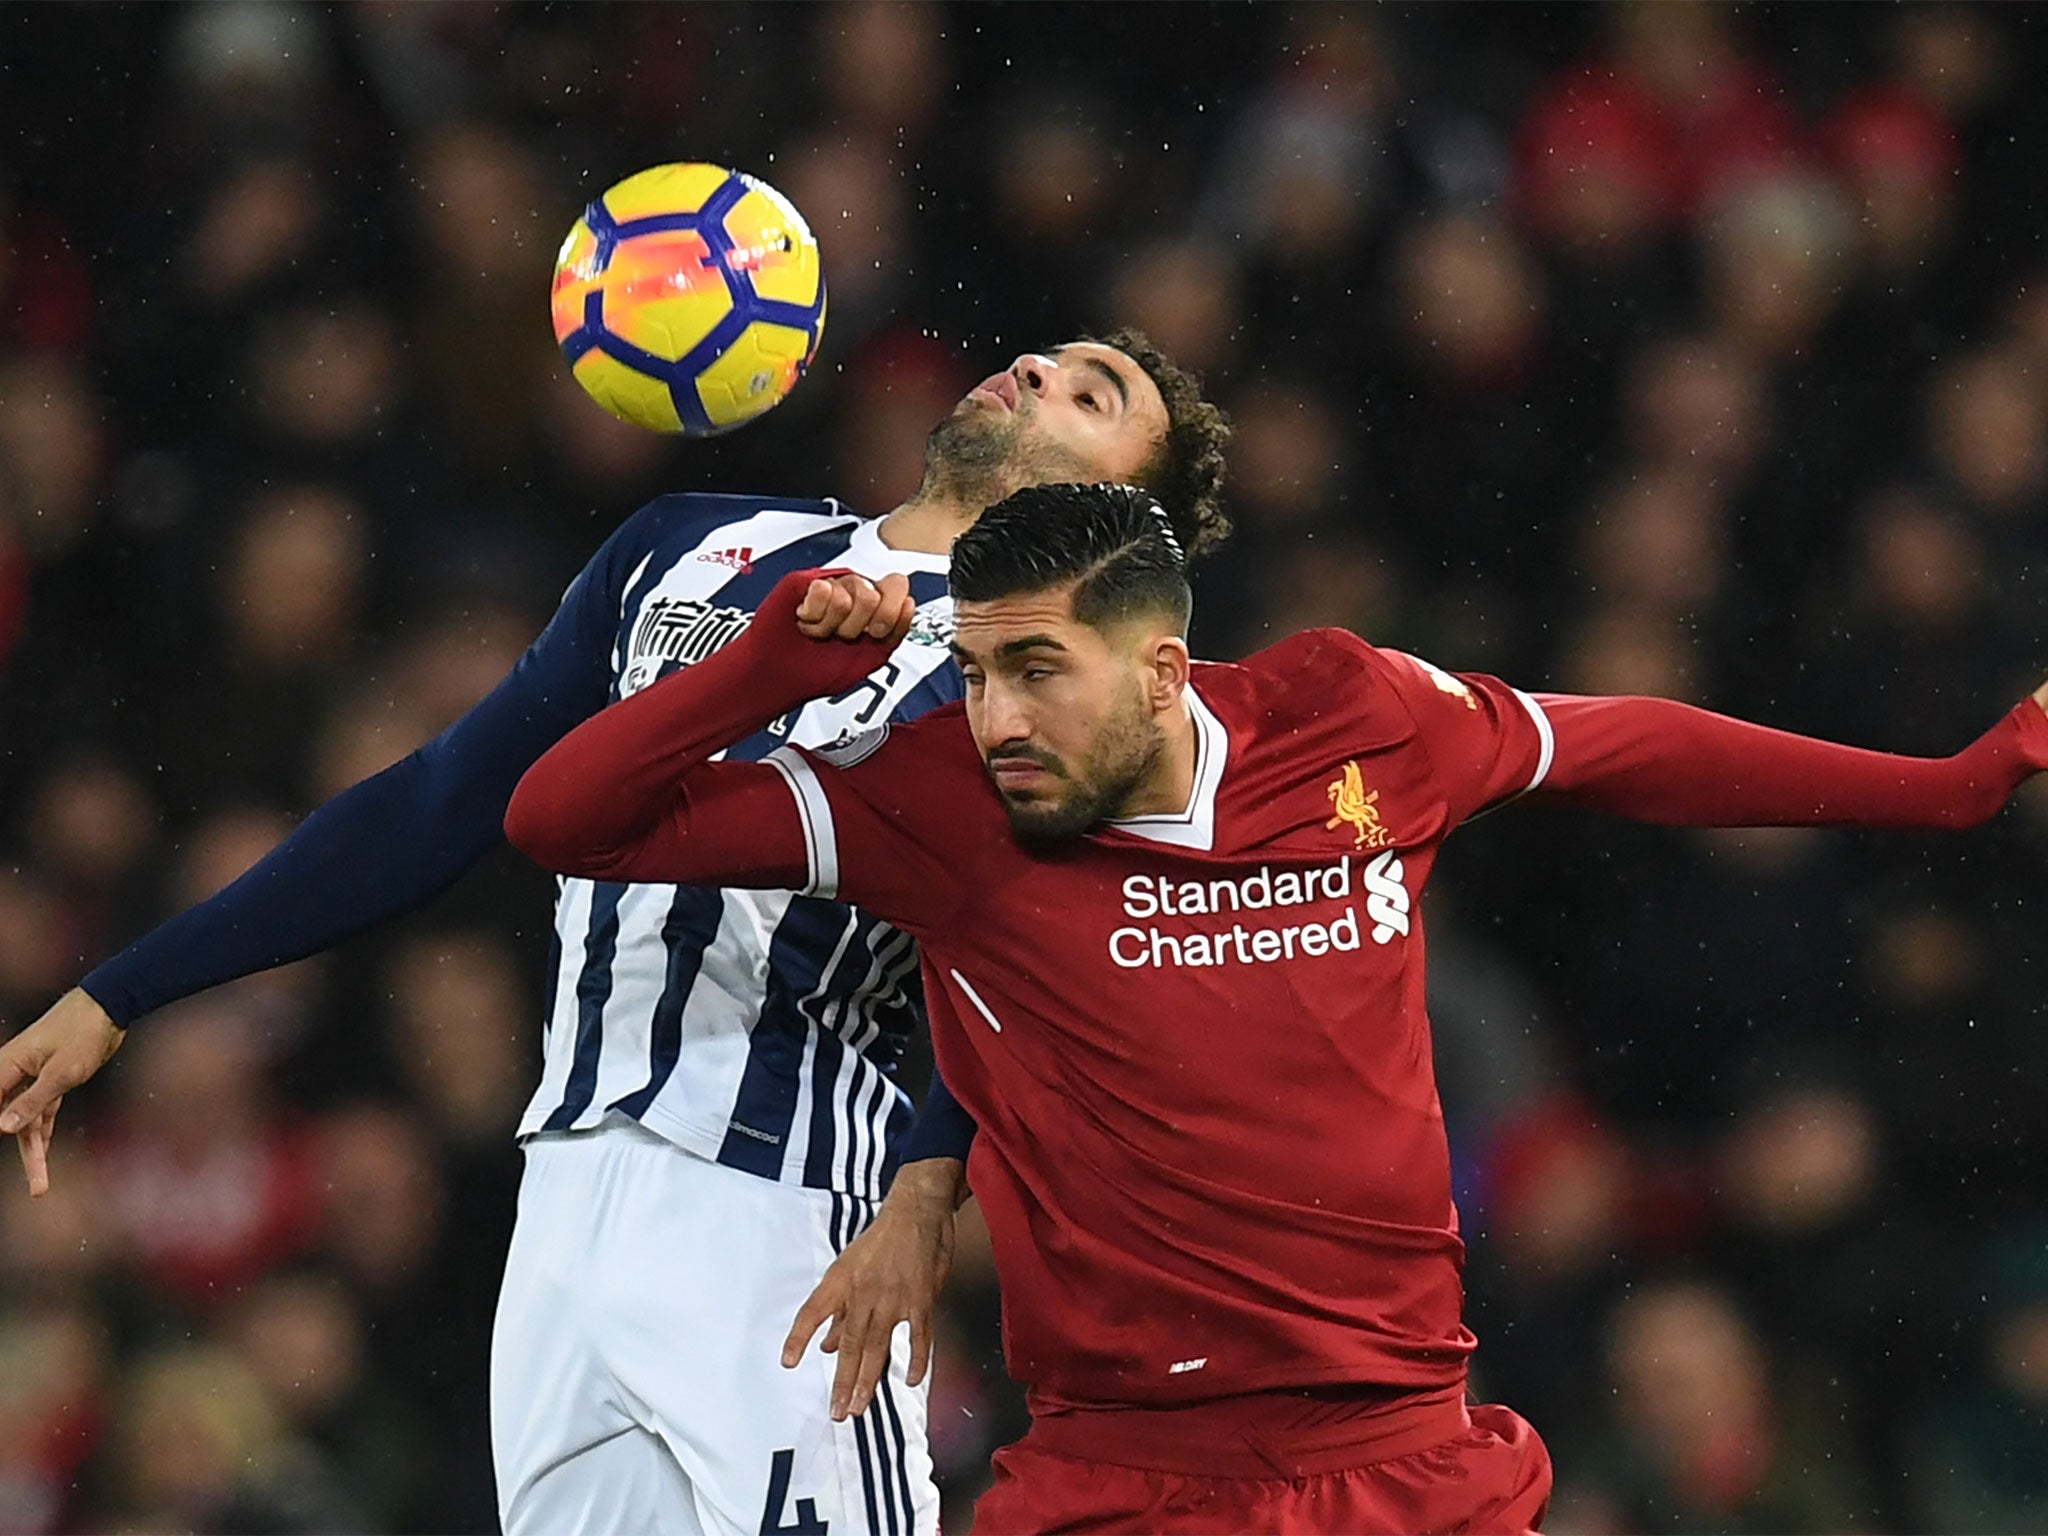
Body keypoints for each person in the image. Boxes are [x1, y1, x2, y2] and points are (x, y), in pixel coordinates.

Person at [503, 481, 2048, 1534]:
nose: (997, 718)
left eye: (1036, 671)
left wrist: (1948, 790)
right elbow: (565, 820)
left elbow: (1622, 745)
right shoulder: (938, 805)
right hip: (1124, 1479)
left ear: (1166, 667)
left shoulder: (1357, 721)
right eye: (974, 674)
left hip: (1400, 1460)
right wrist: (763, 663)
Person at [0, 338, 1232, 1536]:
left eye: (1091, 393)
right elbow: (441, 799)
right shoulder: (688, 543)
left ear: (1118, 513)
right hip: (564, 1201)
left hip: (785, 1217)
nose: (1033, 371)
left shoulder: (1045, 684)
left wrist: (921, 1197)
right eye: (1047, 358)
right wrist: (120, 994)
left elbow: (1041, 975)